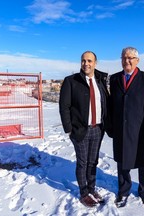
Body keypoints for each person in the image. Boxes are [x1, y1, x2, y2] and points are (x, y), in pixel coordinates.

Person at [59, 51, 109, 208]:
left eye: (89, 61)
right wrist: (69, 129)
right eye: (83, 61)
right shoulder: (71, 81)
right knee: (82, 162)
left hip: (98, 129)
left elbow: (106, 103)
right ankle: (83, 193)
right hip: (80, 130)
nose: (86, 64)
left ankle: (92, 189)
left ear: (95, 63)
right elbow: (64, 106)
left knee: (93, 161)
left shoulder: (100, 81)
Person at [108, 47, 144, 208]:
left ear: (137, 60)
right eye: (123, 57)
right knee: (122, 164)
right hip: (121, 130)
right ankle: (123, 192)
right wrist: (110, 127)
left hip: (141, 130)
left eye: (130, 58)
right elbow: (110, 106)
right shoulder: (114, 79)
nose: (126, 61)